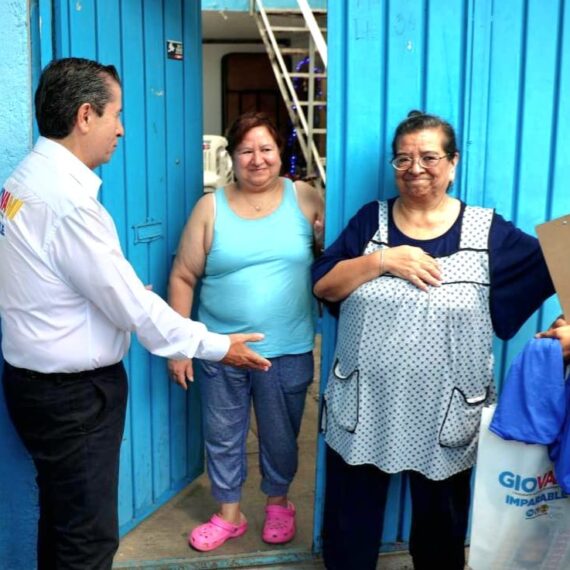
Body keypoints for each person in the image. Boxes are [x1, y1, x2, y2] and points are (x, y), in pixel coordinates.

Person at [0, 58, 270, 570]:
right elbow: (135, 308)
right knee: (87, 541)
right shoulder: (70, 204)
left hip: (35, 385)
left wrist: (113, 294)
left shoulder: (22, 182)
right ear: (85, 116)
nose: (122, 128)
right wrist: (216, 345)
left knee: (62, 525)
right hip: (73, 401)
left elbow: (48, 280)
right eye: (116, 114)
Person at [312, 111, 555, 570]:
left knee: (441, 529)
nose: (415, 169)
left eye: (428, 157)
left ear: (452, 162)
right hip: (366, 404)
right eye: (402, 159)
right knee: (351, 524)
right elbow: (323, 284)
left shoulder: (489, 232)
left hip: (445, 409)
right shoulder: (371, 222)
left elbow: (557, 262)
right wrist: (383, 261)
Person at [168, 111, 324, 551]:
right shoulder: (210, 207)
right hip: (219, 348)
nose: (258, 159)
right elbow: (183, 276)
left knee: (280, 435)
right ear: (232, 157)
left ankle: (279, 503)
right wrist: (181, 347)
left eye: (266, 149)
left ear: (280, 153)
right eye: (246, 150)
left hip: (287, 348)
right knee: (223, 434)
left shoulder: (307, 198)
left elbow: (330, 260)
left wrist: (323, 239)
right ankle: (229, 515)